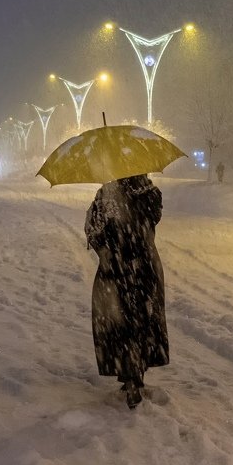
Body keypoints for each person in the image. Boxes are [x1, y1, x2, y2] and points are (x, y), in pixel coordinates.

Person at [85, 174, 168, 409]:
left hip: (116, 268)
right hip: (146, 267)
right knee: (142, 320)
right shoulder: (151, 193)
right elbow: (152, 221)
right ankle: (136, 372)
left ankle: (128, 374)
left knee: (119, 323)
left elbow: (93, 229)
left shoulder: (108, 194)